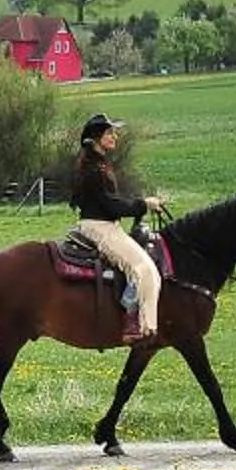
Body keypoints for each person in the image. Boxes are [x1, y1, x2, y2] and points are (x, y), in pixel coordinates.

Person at [68, 113, 166, 343]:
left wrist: (140, 203)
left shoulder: (97, 163)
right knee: (144, 268)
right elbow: (111, 205)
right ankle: (134, 324)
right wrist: (144, 204)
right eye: (109, 132)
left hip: (101, 224)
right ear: (97, 136)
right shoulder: (95, 169)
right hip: (99, 227)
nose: (115, 136)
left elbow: (111, 200)